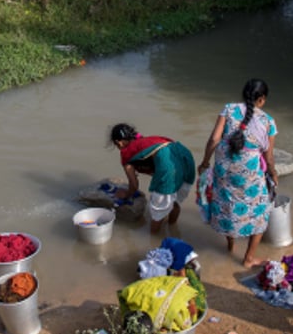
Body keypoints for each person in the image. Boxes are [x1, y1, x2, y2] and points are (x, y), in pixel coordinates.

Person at [197, 78, 279, 268]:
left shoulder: (228, 109)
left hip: (223, 168)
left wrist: (204, 162)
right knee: (261, 211)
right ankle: (249, 258)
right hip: (248, 173)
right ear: (262, 99)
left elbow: (214, 139)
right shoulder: (268, 122)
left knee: (228, 203)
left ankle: (230, 243)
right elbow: (269, 157)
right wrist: (274, 174)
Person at [109, 124, 197, 234]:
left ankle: (154, 240)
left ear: (119, 142)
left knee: (157, 213)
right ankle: (173, 228)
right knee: (175, 201)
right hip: (184, 156)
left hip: (168, 163)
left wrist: (126, 194)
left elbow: (134, 185)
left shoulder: (127, 153)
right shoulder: (144, 142)